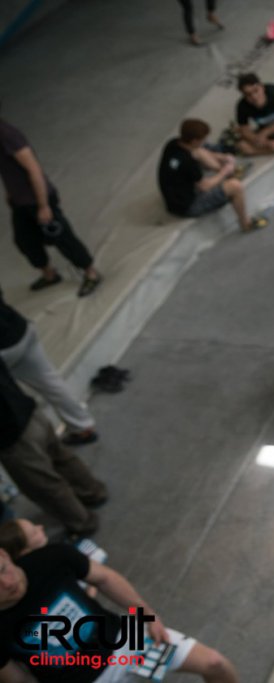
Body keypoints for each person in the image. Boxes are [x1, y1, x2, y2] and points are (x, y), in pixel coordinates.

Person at [0, 544, 239, 682]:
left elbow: (104, 578)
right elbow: (16, 679)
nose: (7, 583)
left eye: (3, 570)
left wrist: (145, 614)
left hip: (124, 642)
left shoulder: (51, 558)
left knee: (215, 663)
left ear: (4, 554)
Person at [0, 360, 106, 537]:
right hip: (28, 411)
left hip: (12, 436)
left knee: (44, 485)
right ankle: (93, 492)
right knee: (61, 457)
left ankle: (82, 523)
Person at [0, 117, 102, 298]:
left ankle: (91, 273)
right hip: (20, 202)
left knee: (62, 238)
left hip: (37, 200)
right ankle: (49, 274)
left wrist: (44, 205)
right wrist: (11, 192)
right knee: (25, 240)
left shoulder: (7, 135)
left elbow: (34, 169)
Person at [0, 288, 98, 446]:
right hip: (20, 329)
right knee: (51, 382)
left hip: (5, 350)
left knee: (11, 400)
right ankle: (83, 426)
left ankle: (34, 447)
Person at [158, 119, 267, 233]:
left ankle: (232, 172)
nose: (205, 141)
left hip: (173, 197)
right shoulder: (188, 162)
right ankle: (245, 224)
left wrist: (221, 157)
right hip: (188, 206)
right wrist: (224, 171)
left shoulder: (173, 144)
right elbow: (204, 187)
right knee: (235, 187)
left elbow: (198, 151)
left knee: (199, 151)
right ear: (194, 140)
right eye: (203, 139)